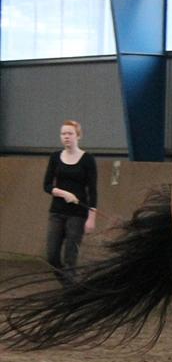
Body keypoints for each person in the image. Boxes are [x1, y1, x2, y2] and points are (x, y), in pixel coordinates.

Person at [43, 120, 98, 280]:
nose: (66, 137)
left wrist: (91, 217)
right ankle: (68, 285)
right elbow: (46, 185)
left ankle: (69, 291)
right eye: (63, 134)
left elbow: (92, 190)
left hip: (78, 214)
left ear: (78, 136)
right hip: (57, 212)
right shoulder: (55, 157)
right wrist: (62, 193)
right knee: (52, 255)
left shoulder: (87, 159)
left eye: (70, 133)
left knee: (70, 257)